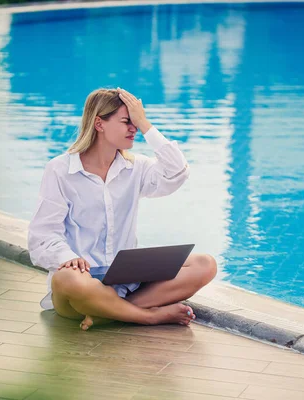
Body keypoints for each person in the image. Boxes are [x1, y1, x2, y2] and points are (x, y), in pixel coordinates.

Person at [28, 88, 217, 330]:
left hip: (126, 283)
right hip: (79, 287)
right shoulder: (60, 170)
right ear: (99, 124)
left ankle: (109, 313)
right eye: (127, 121)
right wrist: (70, 258)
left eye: (136, 122)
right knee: (66, 278)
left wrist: (146, 124)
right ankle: (148, 316)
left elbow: (178, 172)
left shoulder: (135, 167)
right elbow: (42, 237)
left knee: (205, 265)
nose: (134, 128)